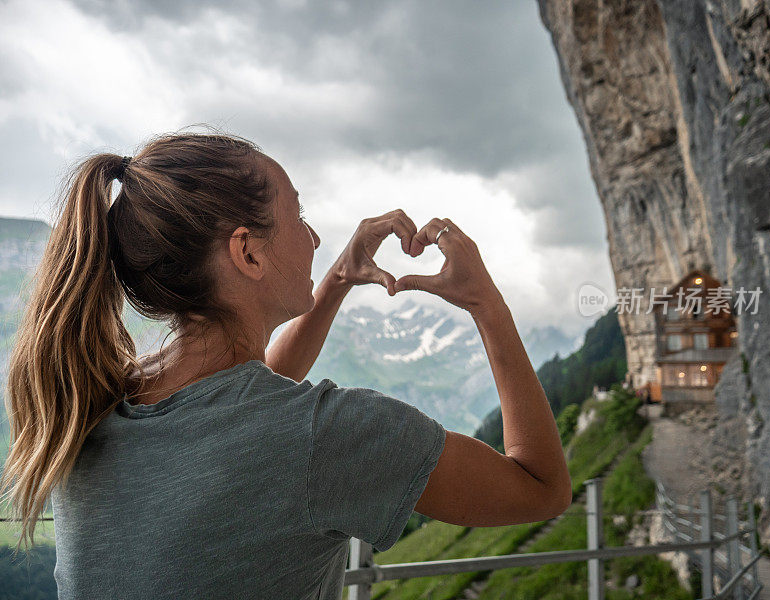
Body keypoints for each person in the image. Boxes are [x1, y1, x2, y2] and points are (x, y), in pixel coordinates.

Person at [0, 130, 572, 599]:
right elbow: (541, 487)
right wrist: (486, 303)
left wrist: (340, 278)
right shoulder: (325, 434)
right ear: (247, 251)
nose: (316, 236)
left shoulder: (90, 406)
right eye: (298, 215)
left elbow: (246, 404)